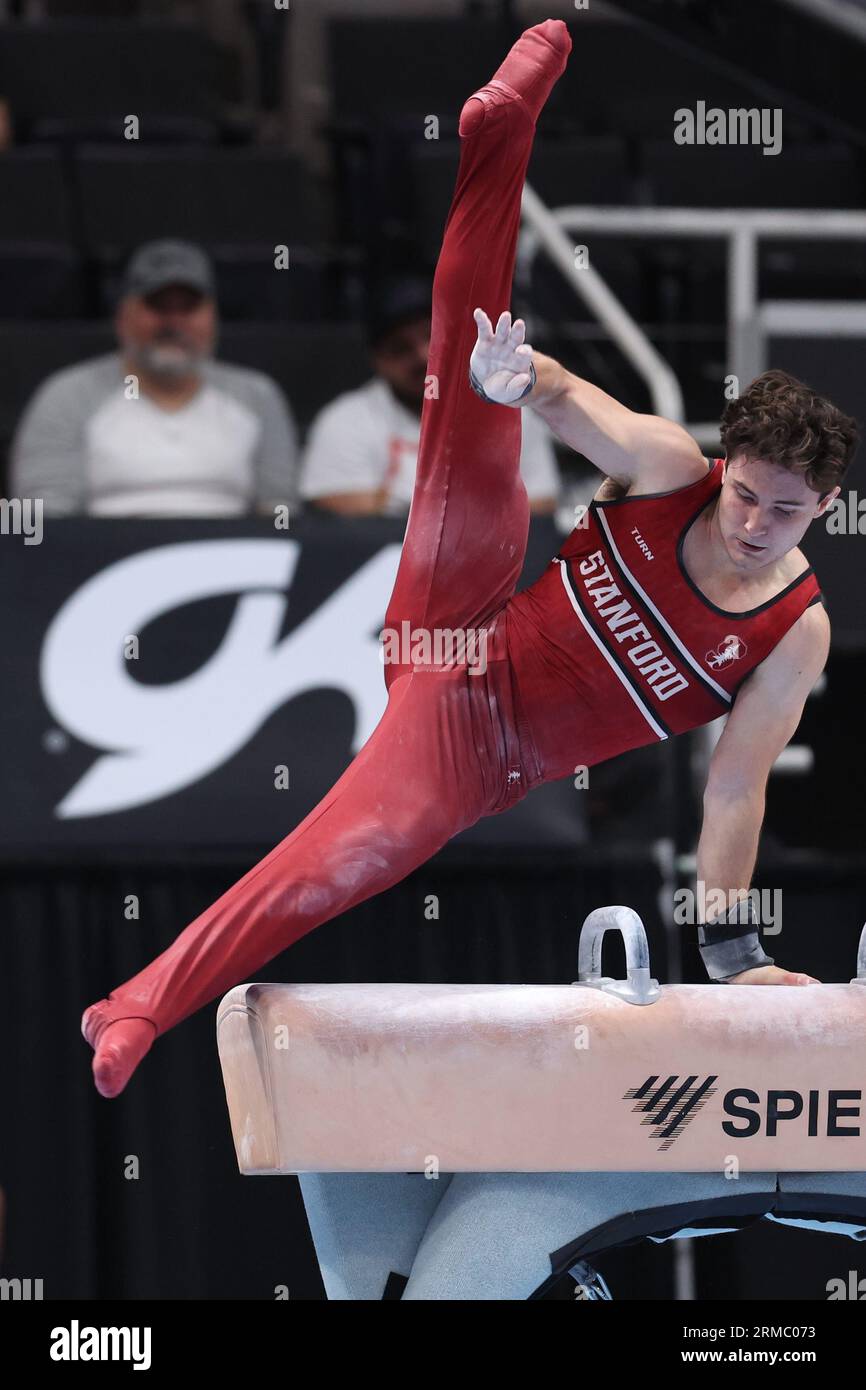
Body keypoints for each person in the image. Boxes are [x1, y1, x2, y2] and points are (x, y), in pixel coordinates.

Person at [83, 20, 856, 1117]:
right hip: (466, 614)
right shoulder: (669, 469)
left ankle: (134, 1001)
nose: (752, 525)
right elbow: (577, 406)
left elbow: (733, 786)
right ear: (723, 464)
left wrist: (726, 953)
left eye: (786, 513)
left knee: (336, 862)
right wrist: (524, 376)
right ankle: (503, 130)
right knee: (469, 376)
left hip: (469, 750)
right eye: (744, 495)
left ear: (823, 509)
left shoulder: (794, 631)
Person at [10, 239, 299, 517]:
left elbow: (279, 508)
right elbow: (47, 512)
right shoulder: (69, 394)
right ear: (124, 316)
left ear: (212, 318)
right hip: (101, 558)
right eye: (158, 306)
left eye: (188, 308)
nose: (174, 323)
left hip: (233, 558)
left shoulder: (257, 394)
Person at [300, 275, 560, 515]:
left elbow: (541, 503)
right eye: (400, 348)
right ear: (377, 360)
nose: (422, 356)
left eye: (434, 338)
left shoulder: (511, 411)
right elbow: (335, 502)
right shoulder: (347, 418)